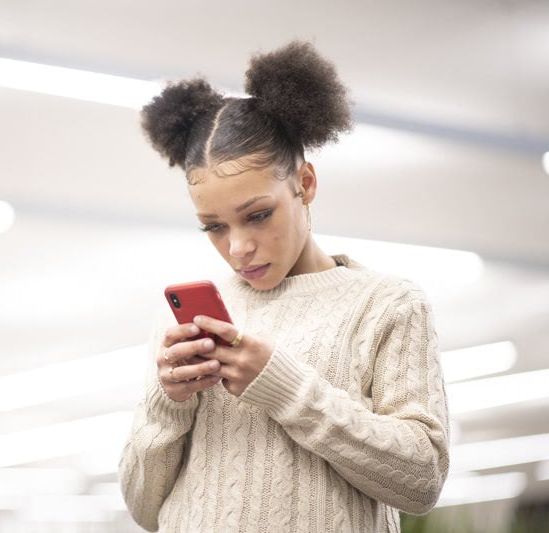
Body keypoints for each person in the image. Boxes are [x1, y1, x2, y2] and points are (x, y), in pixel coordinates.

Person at [117, 41, 450, 532]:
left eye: (257, 215)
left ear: (306, 183)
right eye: (214, 226)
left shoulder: (387, 305)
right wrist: (169, 403)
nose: (238, 248)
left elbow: (422, 482)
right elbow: (145, 509)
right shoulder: (183, 322)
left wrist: (283, 387)